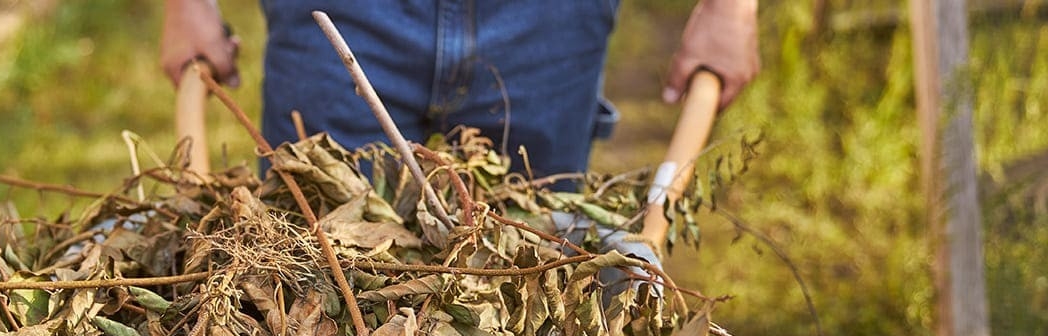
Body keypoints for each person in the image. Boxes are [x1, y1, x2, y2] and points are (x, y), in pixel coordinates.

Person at [160, 0, 758, 179]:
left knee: (535, 296)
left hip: (547, 23)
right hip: (342, 13)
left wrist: (730, 9)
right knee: (309, 288)